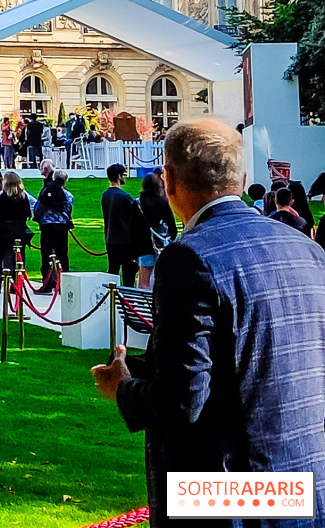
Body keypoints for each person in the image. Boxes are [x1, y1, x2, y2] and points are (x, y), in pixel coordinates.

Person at [91, 119, 325, 526]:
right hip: (306, 479)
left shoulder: (187, 258)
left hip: (228, 493)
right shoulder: (307, 249)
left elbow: (183, 397)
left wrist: (123, 388)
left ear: (169, 181)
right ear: (243, 177)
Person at [0, 170, 36, 293]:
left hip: (5, 230)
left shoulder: (3, 197)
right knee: (18, 257)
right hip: (19, 230)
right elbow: (27, 214)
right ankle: (15, 283)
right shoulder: (23, 197)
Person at [32, 168, 74, 294]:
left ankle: (47, 284)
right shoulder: (68, 195)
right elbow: (69, 209)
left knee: (46, 256)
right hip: (62, 228)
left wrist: (39, 219)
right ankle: (64, 285)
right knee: (63, 256)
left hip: (48, 227)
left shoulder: (46, 191)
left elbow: (38, 208)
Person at [101, 163, 143, 287]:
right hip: (126, 241)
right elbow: (137, 216)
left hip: (111, 239)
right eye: (123, 174)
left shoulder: (105, 195)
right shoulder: (125, 197)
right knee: (128, 275)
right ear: (119, 176)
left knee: (113, 271)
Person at [136, 172, 177, 289]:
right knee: (163, 277)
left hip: (144, 244)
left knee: (144, 278)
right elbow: (171, 225)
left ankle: (142, 304)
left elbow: (134, 227)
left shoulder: (138, 203)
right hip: (162, 243)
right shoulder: (164, 202)